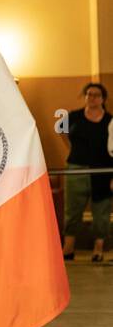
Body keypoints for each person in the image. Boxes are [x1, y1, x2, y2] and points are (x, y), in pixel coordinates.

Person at [61, 82, 113, 262]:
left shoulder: (110, 120)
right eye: (89, 94)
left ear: (103, 99)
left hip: (102, 170)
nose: (92, 98)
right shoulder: (73, 116)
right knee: (72, 209)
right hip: (77, 168)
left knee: (102, 210)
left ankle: (98, 248)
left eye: (96, 95)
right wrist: (70, 148)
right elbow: (61, 131)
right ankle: (68, 248)